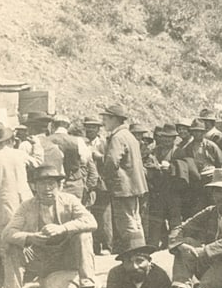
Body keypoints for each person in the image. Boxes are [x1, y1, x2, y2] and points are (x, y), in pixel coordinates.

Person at [0, 164, 99, 288]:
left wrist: (63, 228)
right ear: (34, 187)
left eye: (51, 184)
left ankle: (89, 286)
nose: (47, 189)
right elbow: (7, 233)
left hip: (68, 256)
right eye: (42, 184)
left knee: (83, 235)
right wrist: (30, 237)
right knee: (12, 246)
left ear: (59, 185)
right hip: (41, 258)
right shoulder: (27, 206)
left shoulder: (69, 200)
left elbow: (91, 221)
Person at [0, 121, 32, 288]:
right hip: (23, 205)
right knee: (18, 246)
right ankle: (20, 281)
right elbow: (36, 166)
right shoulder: (20, 155)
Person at [100, 104, 148, 253]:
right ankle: (140, 252)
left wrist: (106, 177)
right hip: (134, 186)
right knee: (135, 220)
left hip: (123, 187)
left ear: (115, 119)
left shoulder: (118, 137)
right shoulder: (129, 135)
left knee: (126, 221)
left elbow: (112, 161)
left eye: (106, 118)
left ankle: (135, 254)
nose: (103, 122)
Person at [173, 119, 222, 216]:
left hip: (211, 178)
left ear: (204, 132)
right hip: (197, 179)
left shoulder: (210, 146)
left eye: (200, 132)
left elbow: (220, 162)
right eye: (195, 132)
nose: (197, 134)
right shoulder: (188, 148)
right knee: (198, 205)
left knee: (213, 203)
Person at [143, 125, 183, 248]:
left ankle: (175, 244)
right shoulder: (155, 151)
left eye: (169, 138)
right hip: (158, 190)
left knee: (175, 218)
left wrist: (171, 167)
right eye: (164, 137)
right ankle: (154, 244)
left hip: (173, 190)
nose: (166, 140)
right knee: (156, 219)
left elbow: (184, 168)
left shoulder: (179, 151)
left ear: (174, 138)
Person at [47, 114, 99, 203]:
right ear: (68, 126)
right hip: (72, 184)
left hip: (50, 184)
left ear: (52, 126)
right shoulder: (78, 141)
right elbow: (85, 160)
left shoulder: (45, 140)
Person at [82, 115, 112, 254]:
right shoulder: (82, 143)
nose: (90, 130)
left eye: (93, 127)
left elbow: (111, 161)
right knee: (89, 213)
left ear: (98, 129)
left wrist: (98, 156)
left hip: (103, 183)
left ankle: (107, 245)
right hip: (88, 183)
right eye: (87, 127)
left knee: (104, 215)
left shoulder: (104, 143)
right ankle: (93, 246)